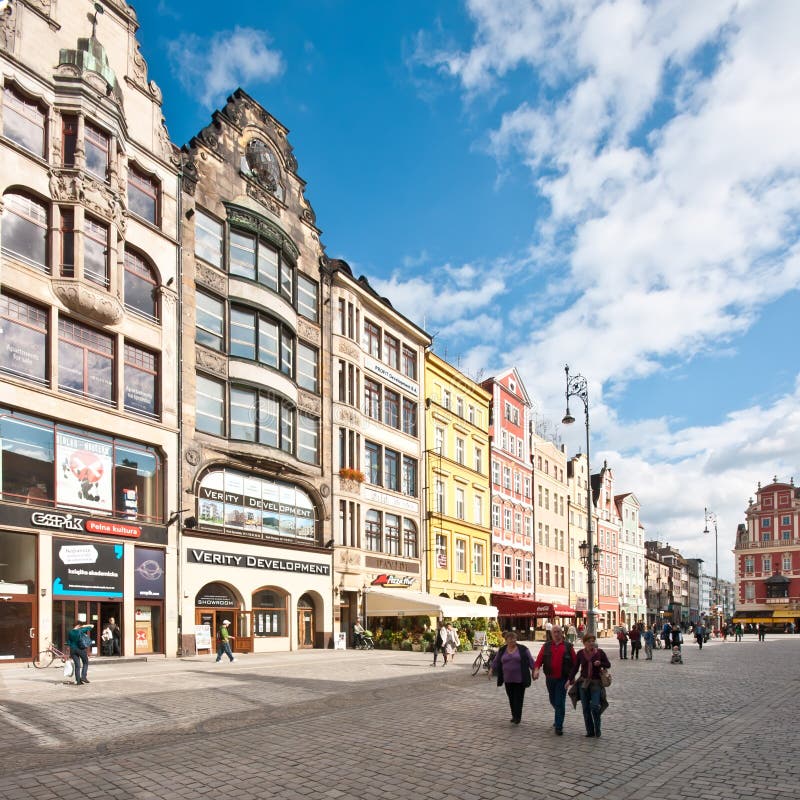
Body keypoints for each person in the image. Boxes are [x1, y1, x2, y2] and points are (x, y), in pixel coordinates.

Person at [532, 624, 576, 736]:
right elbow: (539, 660)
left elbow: (575, 664)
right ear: (551, 634)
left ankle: (559, 726)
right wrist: (536, 670)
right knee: (553, 700)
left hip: (563, 678)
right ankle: (558, 716)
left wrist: (571, 678)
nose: (556, 634)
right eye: (554, 632)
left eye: (558, 632)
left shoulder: (568, 646)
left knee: (559, 702)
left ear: (562, 633)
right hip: (550, 678)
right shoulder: (546, 646)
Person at [567, 633, 611, 738]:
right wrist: (569, 680)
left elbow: (608, 664)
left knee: (595, 706)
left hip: (596, 683)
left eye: (593, 641)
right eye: (589, 641)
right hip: (583, 683)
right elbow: (575, 667)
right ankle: (590, 731)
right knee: (585, 708)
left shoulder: (599, 653)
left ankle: (597, 728)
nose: (591, 643)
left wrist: (600, 663)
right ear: (584, 643)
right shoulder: (580, 654)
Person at [490, 631, 535, 725]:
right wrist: (491, 669)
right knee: (511, 698)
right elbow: (496, 661)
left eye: (513, 639)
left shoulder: (523, 649)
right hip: (508, 679)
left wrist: (535, 670)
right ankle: (514, 715)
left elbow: (531, 660)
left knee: (518, 698)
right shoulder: (502, 650)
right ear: (506, 641)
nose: (512, 641)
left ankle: (517, 717)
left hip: (520, 679)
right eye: (509, 640)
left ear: (516, 639)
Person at [67, 619, 94, 685]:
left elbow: (68, 642)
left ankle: (78, 681)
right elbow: (92, 626)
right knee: (85, 662)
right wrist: (83, 626)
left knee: (77, 665)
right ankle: (83, 677)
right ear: (79, 625)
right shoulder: (80, 630)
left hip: (72, 650)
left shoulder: (70, 632)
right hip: (80, 649)